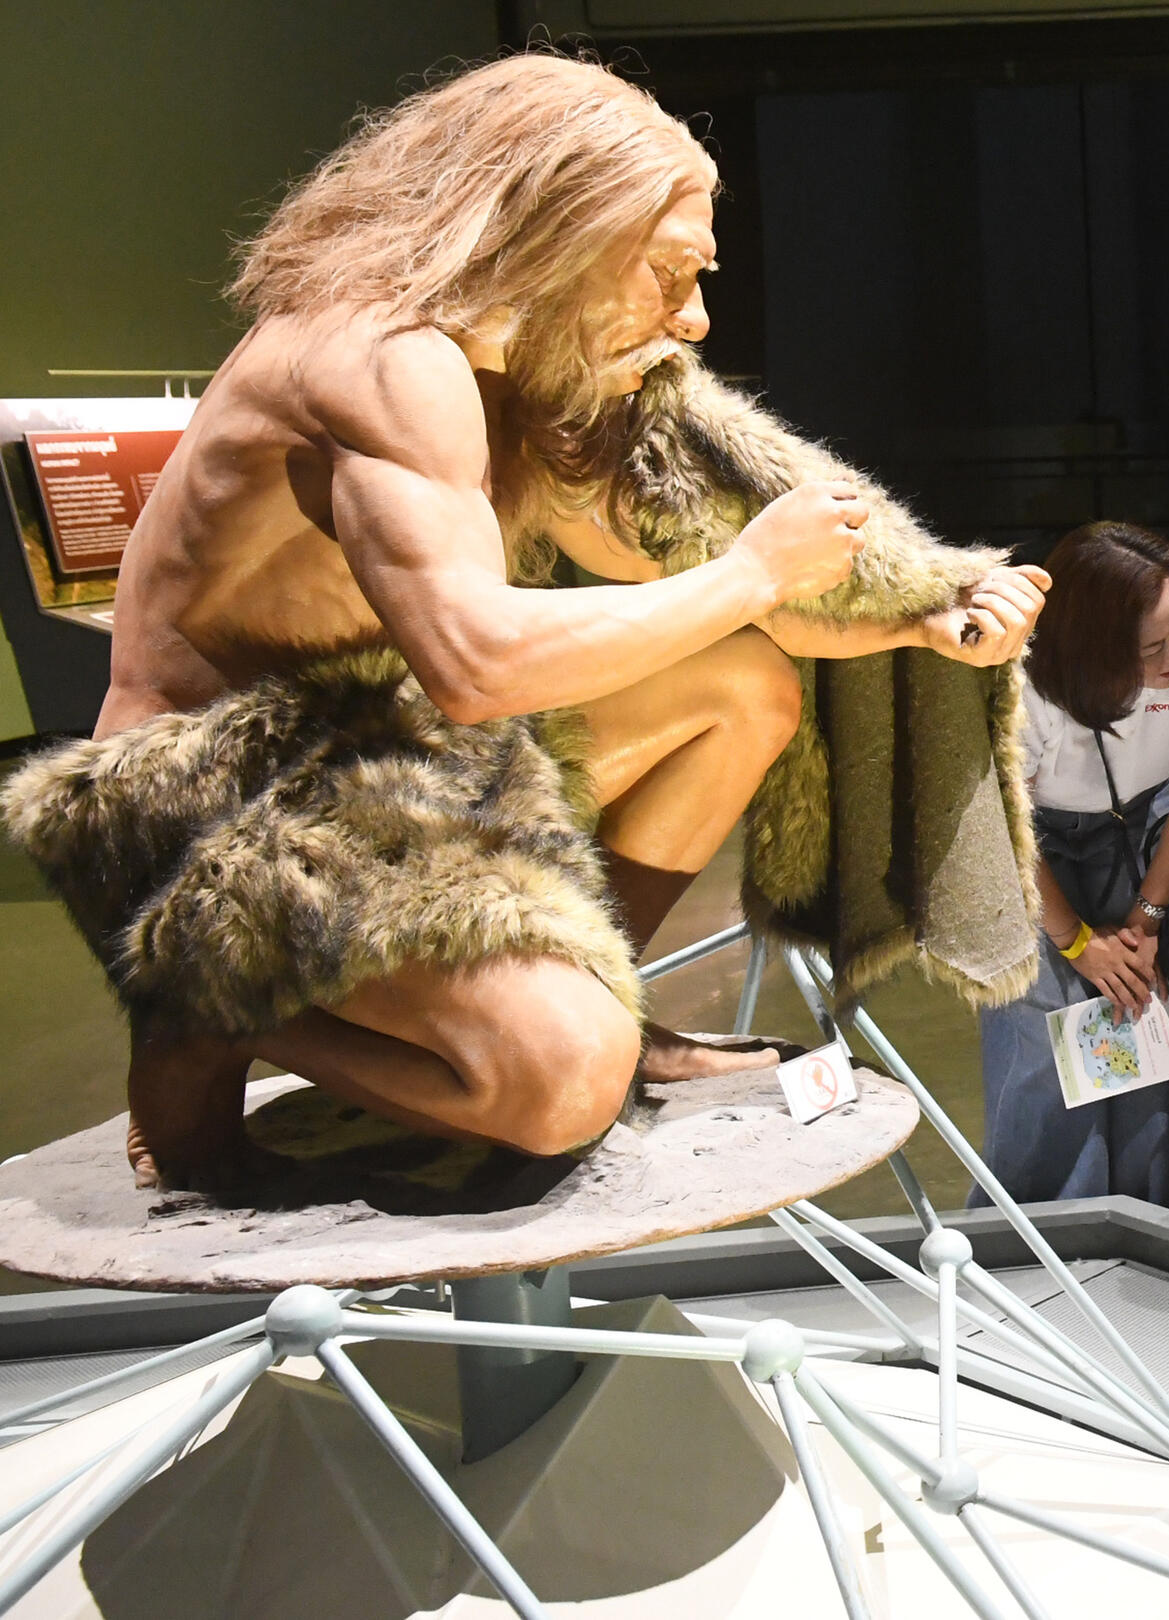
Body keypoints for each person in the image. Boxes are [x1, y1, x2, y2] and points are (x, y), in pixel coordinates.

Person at [0, 56, 1048, 1191]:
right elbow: (476, 663)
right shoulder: (384, 361)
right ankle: (216, 1006)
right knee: (560, 1090)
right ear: (561, 225)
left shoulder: (510, 373)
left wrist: (910, 621)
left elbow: (666, 582)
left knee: (744, 685)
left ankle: (603, 996)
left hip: (376, 748)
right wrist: (753, 573)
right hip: (210, 791)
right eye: (664, 273)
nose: (690, 318)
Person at [980, 522, 1169, 1208]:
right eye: (1153, 647)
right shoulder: (1018, 680)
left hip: (1142, 830)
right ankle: (1036, 1256)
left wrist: (1147, 915)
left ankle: (1144, 1245)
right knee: (1043, 1058)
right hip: (1023, 847)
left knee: (1137, 1041)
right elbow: (1000, 826)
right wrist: (1074, 941)